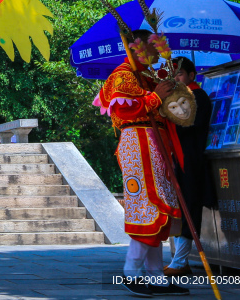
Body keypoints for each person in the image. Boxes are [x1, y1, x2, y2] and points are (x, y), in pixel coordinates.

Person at [95, 30, 187, 297]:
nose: (157, 53)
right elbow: (124, 111)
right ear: (139, 49)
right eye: (153, 48)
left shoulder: (146, 77)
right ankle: (131, 272)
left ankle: (156, 276)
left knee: (158, 213)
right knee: (148, 209)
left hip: (155, 144)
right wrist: (156, 97)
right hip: (140, 143)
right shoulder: (122, 75)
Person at [165, 57, 217, 277]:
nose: (176, 78)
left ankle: (180, 260)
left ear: (191, 75)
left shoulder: (198, 96)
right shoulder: (180, 96)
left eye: (179, 74)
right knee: (180, 208)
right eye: (173, 75)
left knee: (190, 207)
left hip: (192, 159)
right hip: (179, 159)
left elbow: (186, 124)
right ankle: (180, 260)